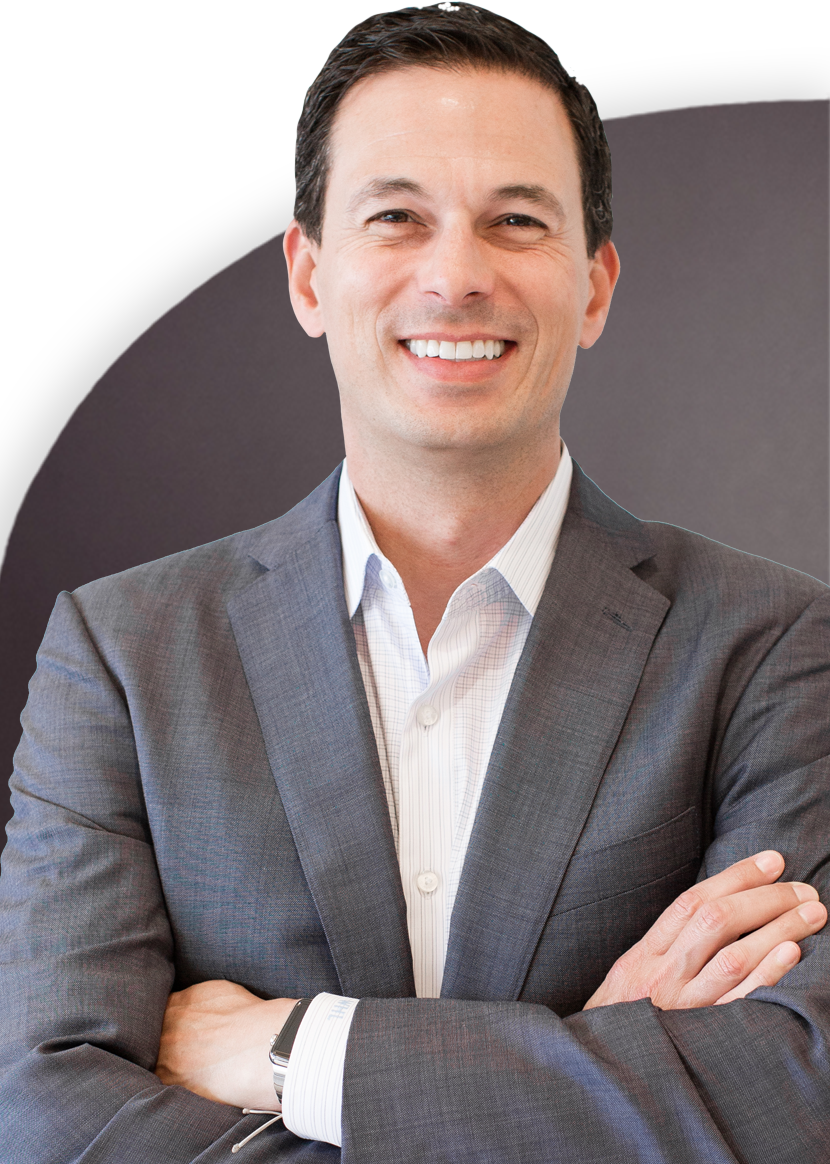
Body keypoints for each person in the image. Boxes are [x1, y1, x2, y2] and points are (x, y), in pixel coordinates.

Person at [1, 4, 828, 1161]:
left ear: (591, 288)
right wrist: (590, 1058)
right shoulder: (123, 653)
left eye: (515, 222)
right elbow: (48, 1119)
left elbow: (796, 1087)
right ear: (307, 274)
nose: (455, 276)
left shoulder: (771, 643)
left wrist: (292, 1052)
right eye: (396, 217)